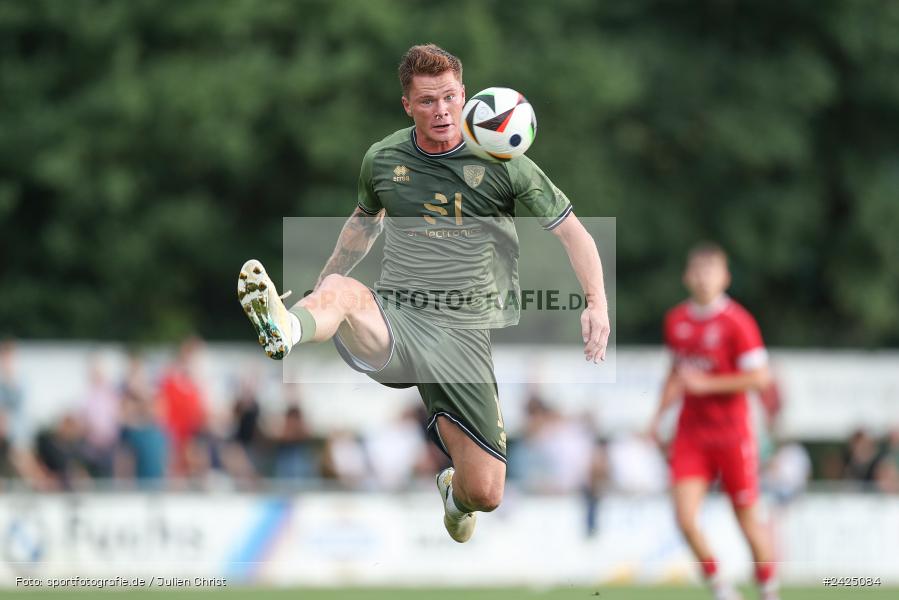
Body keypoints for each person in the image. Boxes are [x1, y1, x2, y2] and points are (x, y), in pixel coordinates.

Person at [238, 44, 610, 542]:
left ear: (464, 95)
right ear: (407, 105)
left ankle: (455, 499)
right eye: (428, 100)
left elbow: (573, 233)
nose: (441, 110)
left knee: (487, 491)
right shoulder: (384, 158)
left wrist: (596, 302)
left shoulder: (503, 159)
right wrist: (319, 292)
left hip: (462, 339)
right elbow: (361, 228)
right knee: (341, 292)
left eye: (450, 97)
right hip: (398, 317)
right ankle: (285, 325)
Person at [648, 243, 778, 600]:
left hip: (733, 435)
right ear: (687, 276)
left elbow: (761, 378)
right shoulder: (676, 320)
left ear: (725, 278)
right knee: (685, 518)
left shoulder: (738, 322)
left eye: (712, 270)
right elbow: (675, 374)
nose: (704, 277)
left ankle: (769, 590)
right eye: (699, 270)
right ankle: (721, 588)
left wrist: (708, 385)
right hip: (691, 434)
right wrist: (656, 420)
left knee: (747, 520)